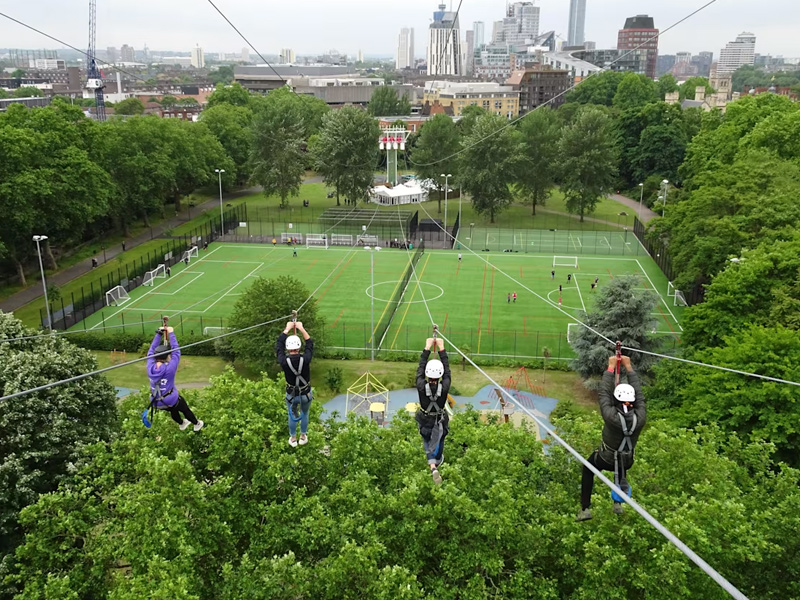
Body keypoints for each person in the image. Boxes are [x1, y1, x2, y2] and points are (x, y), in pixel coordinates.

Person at [577, 354, 646, 521]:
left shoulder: (611, 416)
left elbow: (603, 394)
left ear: (617, 399)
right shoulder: (641, 417)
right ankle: (617, 504)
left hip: (605, 459)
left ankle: (585, 508)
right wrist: (629, 368)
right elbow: (640, 395)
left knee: (588, 469)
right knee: (622, 463)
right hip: (627, 462)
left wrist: (610, 368)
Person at [146, 327, 203, 431]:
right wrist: (171, 333)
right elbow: (176, 352)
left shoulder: (150, 365)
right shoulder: (169, 369)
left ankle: (181, 423)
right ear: (168, 356)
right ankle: (197, 424)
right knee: (184, 408)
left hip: (156, 402)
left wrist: (158, 334)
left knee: (173, 409)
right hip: (170, 399)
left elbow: (151, 350)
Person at [415, 337, 451, 484]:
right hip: (439, 420)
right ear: (440, 374)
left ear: (427, 375)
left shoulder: (421, 385)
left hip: (425, 419)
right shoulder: (446, 385)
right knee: (439, 438)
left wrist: (427, 347)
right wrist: (441, 348)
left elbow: (420, 369)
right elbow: (447, 371)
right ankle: (436, 462)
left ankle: (432, 465)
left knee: (426, 437)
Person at [277, 321, 314, 447]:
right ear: (299, 347)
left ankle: (293, 438)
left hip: (291, 394)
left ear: (288, 348)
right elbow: (309, 343)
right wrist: (301, 329)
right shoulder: (306, 359)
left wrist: (286, 330)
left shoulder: (283, 361)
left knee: (292, 414)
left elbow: (278, 346)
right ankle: (303, 436)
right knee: (305, 413)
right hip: (305, 393)